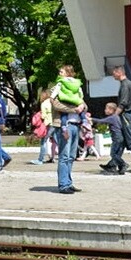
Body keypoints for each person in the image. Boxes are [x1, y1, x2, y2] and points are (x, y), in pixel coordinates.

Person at [51, 64, 86, 193]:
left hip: (76, 125)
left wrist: (82, 107)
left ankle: (68, 182)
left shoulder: (76, 88)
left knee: (71, 156)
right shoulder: (58, 87)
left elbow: (83, 103)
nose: (59, 74)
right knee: (64, 156)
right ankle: (63, 184)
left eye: (61, 72)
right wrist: (72, 109)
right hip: (63, 125)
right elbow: (54, 103)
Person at [96, 102, 126, 174]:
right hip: (120, 137)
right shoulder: (116, 117)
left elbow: (101, 121)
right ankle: (112, 167)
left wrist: (90, 119)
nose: (105, 110)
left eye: (106, 109)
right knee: (117, 154)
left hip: (116, 138)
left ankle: (123, 164)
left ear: (111, 110)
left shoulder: (112, 118)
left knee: (113, 154)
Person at [29, 89, 54, 164]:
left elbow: (43, 116)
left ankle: (40, 159)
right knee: (57, 141)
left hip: (47, 123)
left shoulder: (44, 104)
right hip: (55, 122)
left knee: (43, 141)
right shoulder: (53, 102)